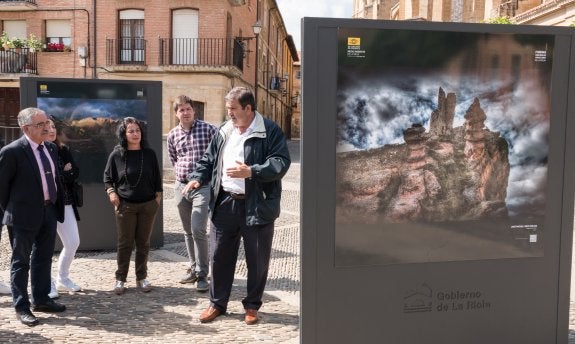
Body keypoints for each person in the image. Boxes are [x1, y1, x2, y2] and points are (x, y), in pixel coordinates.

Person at [183, 87, 291, 325]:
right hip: (225, 203)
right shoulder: (224, 130)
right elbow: (209, 159)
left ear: (248, 108)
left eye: (233, 108)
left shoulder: (269, 130)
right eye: (227, 108)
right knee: (219, 256)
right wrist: (197, 176)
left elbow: (281, 162)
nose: (229, 113)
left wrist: (252, 171)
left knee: (257, 259)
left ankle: (252, 306)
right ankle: (217, 303)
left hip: (257, 205)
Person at [0, 107, 66, 326]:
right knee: (21, 261)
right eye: (40, 125)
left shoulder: (50, 148)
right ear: (25, 128)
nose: (46, 128)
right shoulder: (12, 151)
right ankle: (22, 306)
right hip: (22, 215)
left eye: (46, 123)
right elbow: (2, 188)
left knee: (44, 257)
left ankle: (42, 298)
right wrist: (14, 210)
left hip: (48, 210)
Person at [103, 117, 162, 295]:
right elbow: (107, 178)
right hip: (126, 206)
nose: (135, 134)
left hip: (147, 205)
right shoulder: (117, 155)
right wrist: (112, 193)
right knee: (125, 243)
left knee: (143, 243)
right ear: (124, 134)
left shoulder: (149, 153)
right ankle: (120, 279)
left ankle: (142, 277)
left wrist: (157, 199)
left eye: (137, 130)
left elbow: (157, 178)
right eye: (131, 131)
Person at [167, 95, 217, 291]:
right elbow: (174, 159)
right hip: (181, 187)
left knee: (198, 229)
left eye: (188, 109)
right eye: (181, 110)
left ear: (193, 110)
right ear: (176, 113)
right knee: (187, 232)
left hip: (202, 187)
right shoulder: (172, 135)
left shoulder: (208, 129)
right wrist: (181, 180)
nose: (185, 112)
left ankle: (203, 274)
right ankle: (194, 269)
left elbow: (218, 153)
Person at [46, 119, 82, 299]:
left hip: (66, 202)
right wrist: (65, 173)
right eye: (47, 127)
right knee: (44, 246)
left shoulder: (63, 150)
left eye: (54, 127)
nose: (51, 130)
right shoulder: (39, 151)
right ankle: (47, 283)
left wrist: (66, 173)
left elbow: (74, 172)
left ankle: (63, 277)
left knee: (73, 242)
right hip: (47, 205)